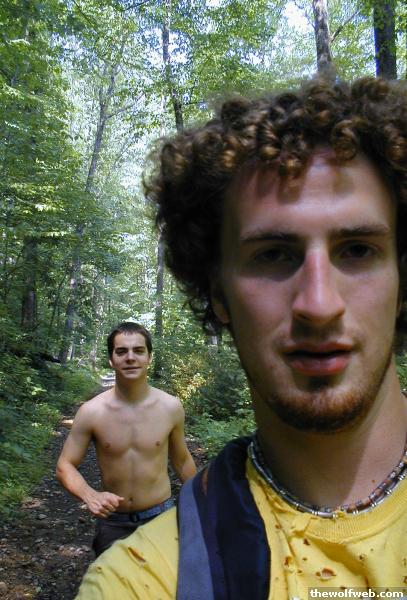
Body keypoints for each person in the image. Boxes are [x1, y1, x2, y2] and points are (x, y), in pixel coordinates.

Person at [75, 77, 407, 599]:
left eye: (358, 250)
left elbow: (182, 462)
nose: (319, 304)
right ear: (219, 295)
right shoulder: (140, 580)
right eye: (273, 255)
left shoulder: (169, 407)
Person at [56, 321, 196, 557]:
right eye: (121, 351)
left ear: (149, 357)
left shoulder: (170, 407)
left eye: (138, 351)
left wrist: (204, 499)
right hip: (113, 523)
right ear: (111, 360)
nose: (130, 357)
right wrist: (90, 495)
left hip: (161, 518)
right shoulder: (92, 411)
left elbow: (182, 461)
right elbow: (64, 465)